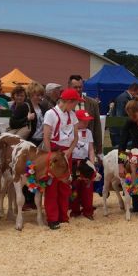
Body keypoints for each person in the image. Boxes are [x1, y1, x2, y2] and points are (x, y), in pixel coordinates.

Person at [42, 88, 81, 229]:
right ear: (69, 102)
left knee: (65, 185)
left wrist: (69, 151)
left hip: (66, 153)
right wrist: (50, 156)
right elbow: (46, 136)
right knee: (52, 187)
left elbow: (76, 136)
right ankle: (52, 218)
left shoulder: (73, 115)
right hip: (54, 153)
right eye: (75, 103)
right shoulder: (50, 114)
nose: (76, 105)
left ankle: (63, 216)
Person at [69, 109, 96, 220]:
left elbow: (90, 150)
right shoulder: (71, 131)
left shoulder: (88, 132)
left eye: (87, 121)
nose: (86, 123)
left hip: (85, 163)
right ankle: (75, 210)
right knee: (74, 187)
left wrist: (92, 164)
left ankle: (88, 210)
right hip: (74, 163)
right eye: (84, 121)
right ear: (77, 121)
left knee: (87, 187)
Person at [68, 75, 102, 155]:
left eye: (80, 87)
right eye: (75, 87)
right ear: (69, 87)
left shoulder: (93, 103)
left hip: (88, 146)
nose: (78, 89)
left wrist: (99, 148)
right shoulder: (65, 104)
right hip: (70, 146)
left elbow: (97, 126)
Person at [110, 82, 138, 147]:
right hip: (118, 132)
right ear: (133, 91)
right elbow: (120, 118)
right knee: (119, 151)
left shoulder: (127, 98)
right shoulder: (123, 98)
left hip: (123, 131)